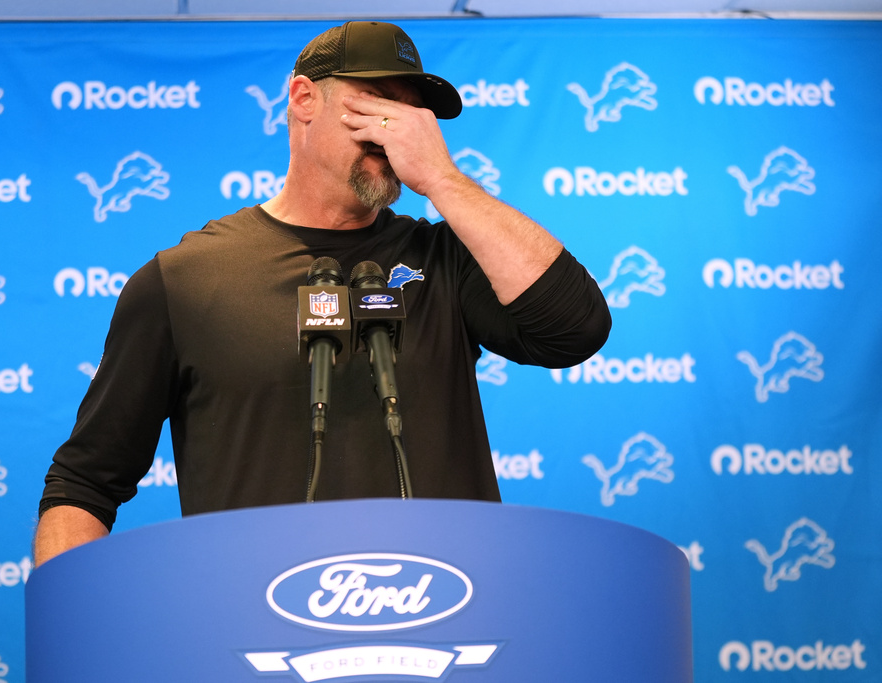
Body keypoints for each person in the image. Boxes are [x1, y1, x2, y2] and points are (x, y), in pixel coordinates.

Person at [34, 20, 611, 565]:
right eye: (377, 102)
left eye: (411, 113)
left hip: (444, 613)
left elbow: (575, 329)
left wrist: (443, 179)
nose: (393, 129)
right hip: (255, 623)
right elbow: (84, 485)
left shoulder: (445, 259)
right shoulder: (184, 279)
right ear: (304, 99)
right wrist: (76, 619)